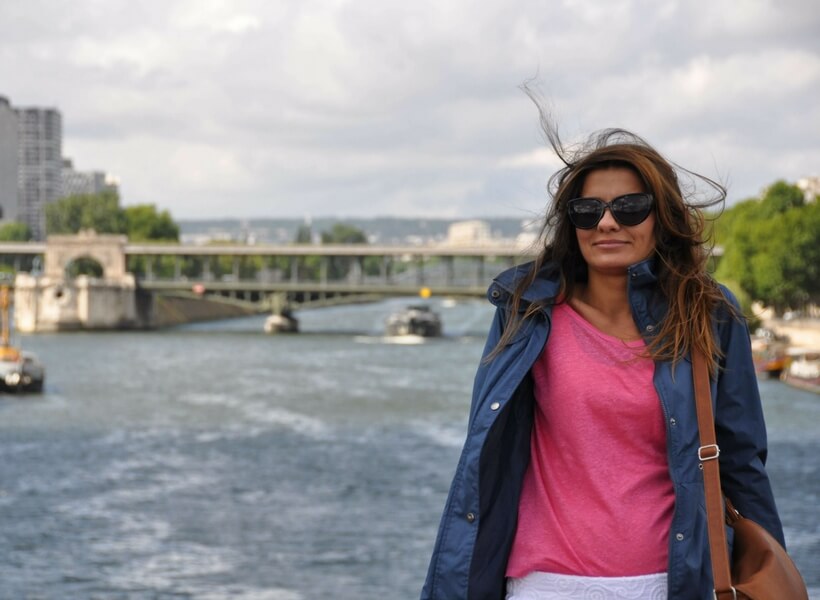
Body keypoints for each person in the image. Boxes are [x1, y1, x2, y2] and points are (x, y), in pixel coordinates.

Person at [421, 115, 784, 599]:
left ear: (662, 217)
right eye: (588, 210)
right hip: (546, 585)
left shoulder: (709, 314)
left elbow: (741, 461)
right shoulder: (527, 313)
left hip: (671, 584)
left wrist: (771, 570)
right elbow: (485, 458)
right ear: (572, 224)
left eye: (630, 207)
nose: (607, 222)